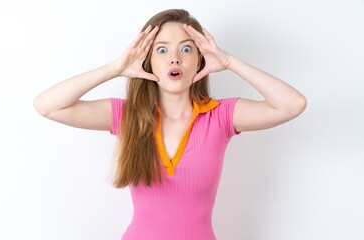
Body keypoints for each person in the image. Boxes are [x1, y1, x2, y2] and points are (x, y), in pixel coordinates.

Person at [34, 9, 306, 240]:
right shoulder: (128, 115)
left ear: (199, 58)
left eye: (186, 49)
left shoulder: (221, 116)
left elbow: (292, 105)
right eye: (161, 50)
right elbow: (48, 105)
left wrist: (229, 61)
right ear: (148, 61)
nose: (174, 58)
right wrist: (114, 69)